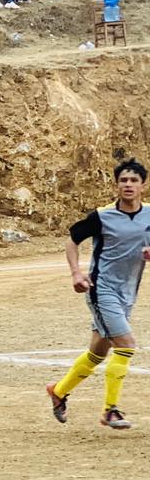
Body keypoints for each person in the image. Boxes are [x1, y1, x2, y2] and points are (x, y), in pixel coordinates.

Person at [47, 159, 150, 431]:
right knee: (126, 344)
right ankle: (110, 410)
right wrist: (75, 273)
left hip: (128, 292)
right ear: (116, 185)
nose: (128, 185)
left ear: (143, 185)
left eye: (133, 181)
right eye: (123, 181)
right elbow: (72, 240)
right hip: (101, 290)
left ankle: (58, 390)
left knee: (98, 352)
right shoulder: (102, 216)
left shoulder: (149, 215)